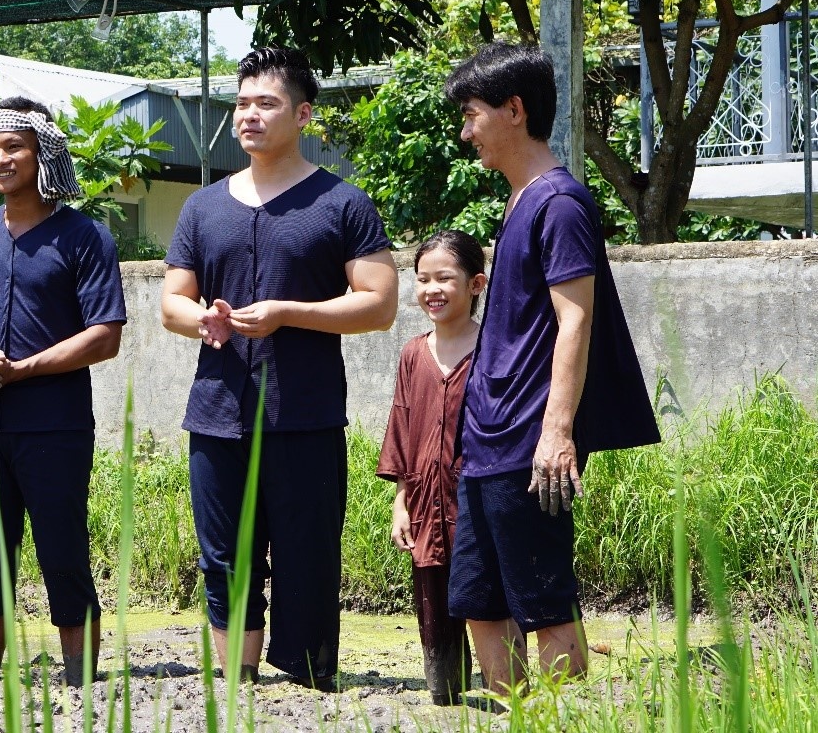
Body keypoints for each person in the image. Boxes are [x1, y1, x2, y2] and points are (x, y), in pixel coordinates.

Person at [161, 46, 398, 688]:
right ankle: (236, 677)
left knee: (308, 553)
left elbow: (378, 303)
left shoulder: (342, 202)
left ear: (303, 114)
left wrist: (287, 313)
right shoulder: (202, 207)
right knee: (224, 558)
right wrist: (201, 320)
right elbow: (169, 303)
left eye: (266, 103)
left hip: (306, 411)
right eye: (241, 104)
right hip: (216, 412)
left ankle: (308, 675)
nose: (250, 115)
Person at [443, 42, 659, 693]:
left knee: (543, 599)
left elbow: (577, 320)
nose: (465, 130)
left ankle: (561, 717)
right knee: (479, 599)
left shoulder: (560, 204)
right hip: (486, 440)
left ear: (514, 110)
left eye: (472, 113)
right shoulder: (516, 203)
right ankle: (519, 713)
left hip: (530, 441)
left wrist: (557, 430)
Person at [0, 96, 127, 688]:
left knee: (62, 547)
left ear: (43, 153)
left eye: (12, 147)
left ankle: (80, 676)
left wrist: (24, 369)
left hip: (56, 426)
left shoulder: (85, 236)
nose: (0, 159)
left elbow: (104, 336)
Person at [377, 229, 487, 705]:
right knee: (433, 598)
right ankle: (447, 693)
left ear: (476, 285)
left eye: (445, 278)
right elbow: (402, 427)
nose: (431, 290)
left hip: (478, 496)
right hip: (425, 498)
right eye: (422, 279)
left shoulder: (492, 350)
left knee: (486, 590)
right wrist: (401, 502)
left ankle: (510, 687)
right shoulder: (412, 354)